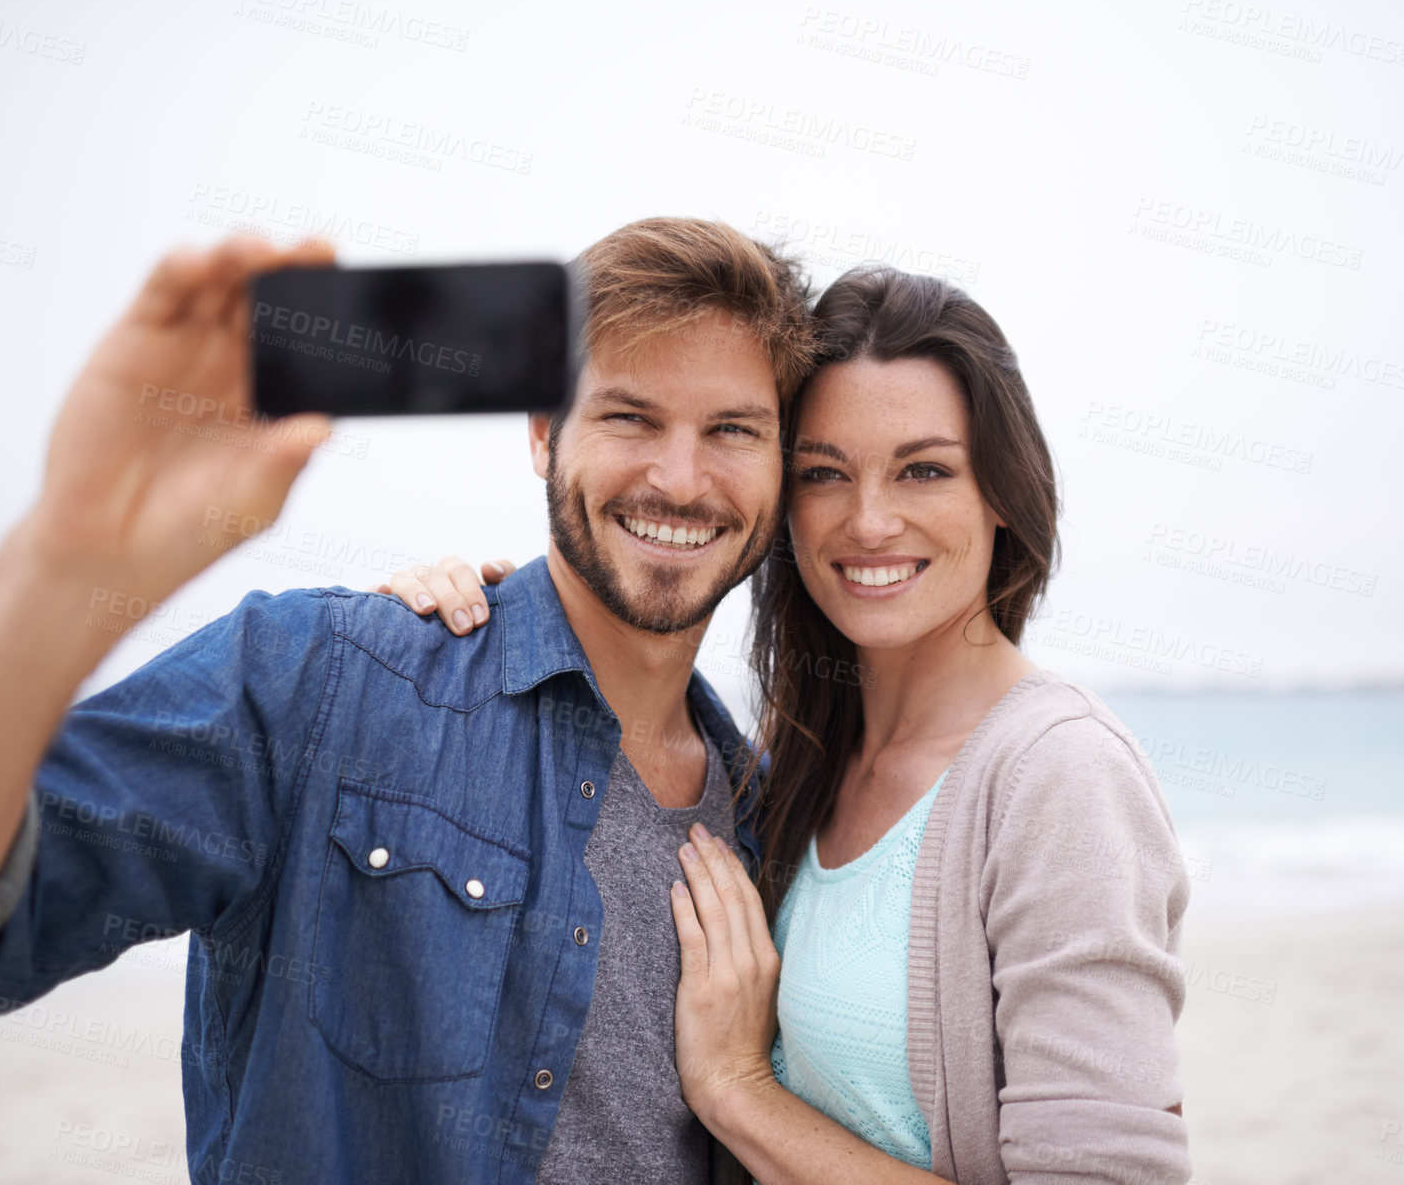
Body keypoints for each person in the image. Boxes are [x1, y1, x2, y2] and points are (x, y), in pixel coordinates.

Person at [0, 218, 818, 1182]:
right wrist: (59, 567)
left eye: (731, 430)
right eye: (629, 416)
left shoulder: (775, 820)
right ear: (540, 431)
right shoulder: (325, 679)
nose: (680, 477)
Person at [387, 266, 1193, 1184]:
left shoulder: (1059, 776)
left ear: (1002, 493)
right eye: (823, 474)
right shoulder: (782, 769)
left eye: (923, 469)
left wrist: (737, 1088)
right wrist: (451, 632)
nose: (870, 520)